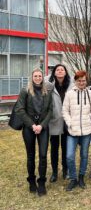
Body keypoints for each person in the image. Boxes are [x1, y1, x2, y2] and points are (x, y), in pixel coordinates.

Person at [15, 68, 53, 196]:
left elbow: (50, 111)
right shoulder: (25, 91)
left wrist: (41, 126)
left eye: (39, 76)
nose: (37, 78)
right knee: (30, 155)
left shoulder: (47, 91)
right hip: (29, 127)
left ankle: (41, 182)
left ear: (43, 77)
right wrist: (32, 125)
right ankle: (31, 181)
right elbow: (20, 109)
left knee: (43, 155)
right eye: (35, 76)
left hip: (43, 128)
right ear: (32, 77)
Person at [63, 71, 91, 191]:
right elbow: (65, 111)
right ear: (75, 81)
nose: (81, 82)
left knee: (84, 155)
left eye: (83, 80)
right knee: (69, 156)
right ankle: (73, 178)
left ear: (86, 81)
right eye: (79, 80)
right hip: (73, 131)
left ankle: (81, 176)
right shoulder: (69, 94)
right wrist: (70, 123)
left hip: (87, 130)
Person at [45, 64, 72, 183]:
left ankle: (66, 170)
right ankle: (55, 172)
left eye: (62, 69)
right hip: (54, 120)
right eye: (57, 70)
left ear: (65, 72)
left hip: (67, 121)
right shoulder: (48, 84)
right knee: (54, 148)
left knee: (66, 147)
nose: (60, 71)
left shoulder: (71, 85)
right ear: (54, 72)